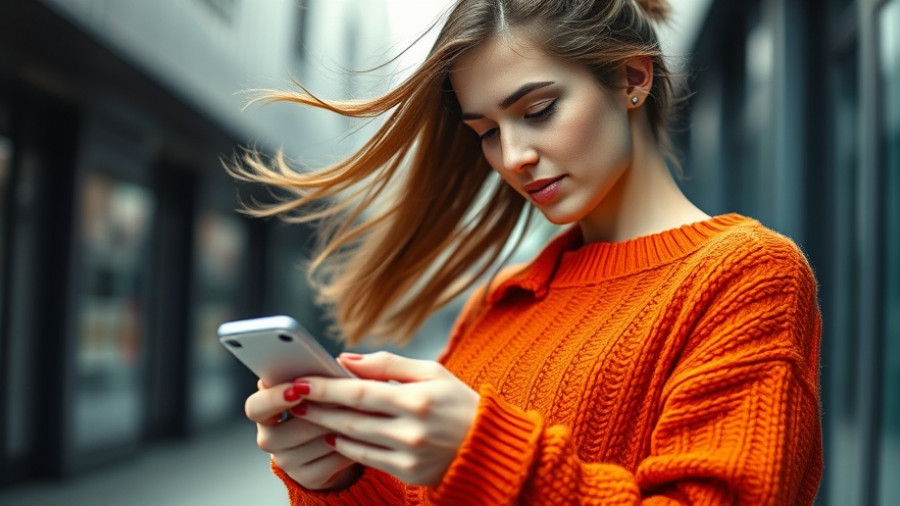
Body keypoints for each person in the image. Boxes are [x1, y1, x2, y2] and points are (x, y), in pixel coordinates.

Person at [233, 0, 824, 503]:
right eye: (486, 131)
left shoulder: (747, 275)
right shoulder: (503, 298)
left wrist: (485, 453)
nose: (512, 155)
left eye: (537, 111)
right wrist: (344, 477)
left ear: (632, 78)